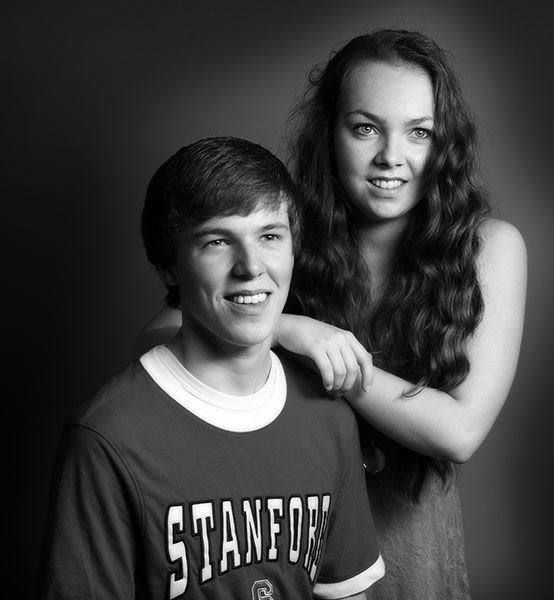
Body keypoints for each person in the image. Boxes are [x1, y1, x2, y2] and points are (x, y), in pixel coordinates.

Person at [137, 29, 527, 600]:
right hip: (289, 541)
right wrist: (291, 329)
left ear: (443, 144)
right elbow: (157, 338)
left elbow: (458, 432)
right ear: (330, 134)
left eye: (419, 132)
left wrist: (337, 361)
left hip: (412, 554)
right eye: (365, 128)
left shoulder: (489, 247)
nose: (391, 156)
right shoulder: (283, 232)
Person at [39, 136, 384, 600]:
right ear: (168, 265)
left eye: (270, 236)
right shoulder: (107, 437)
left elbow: (346, 592)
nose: (251, 266)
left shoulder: (329, 416)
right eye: (218, 241)